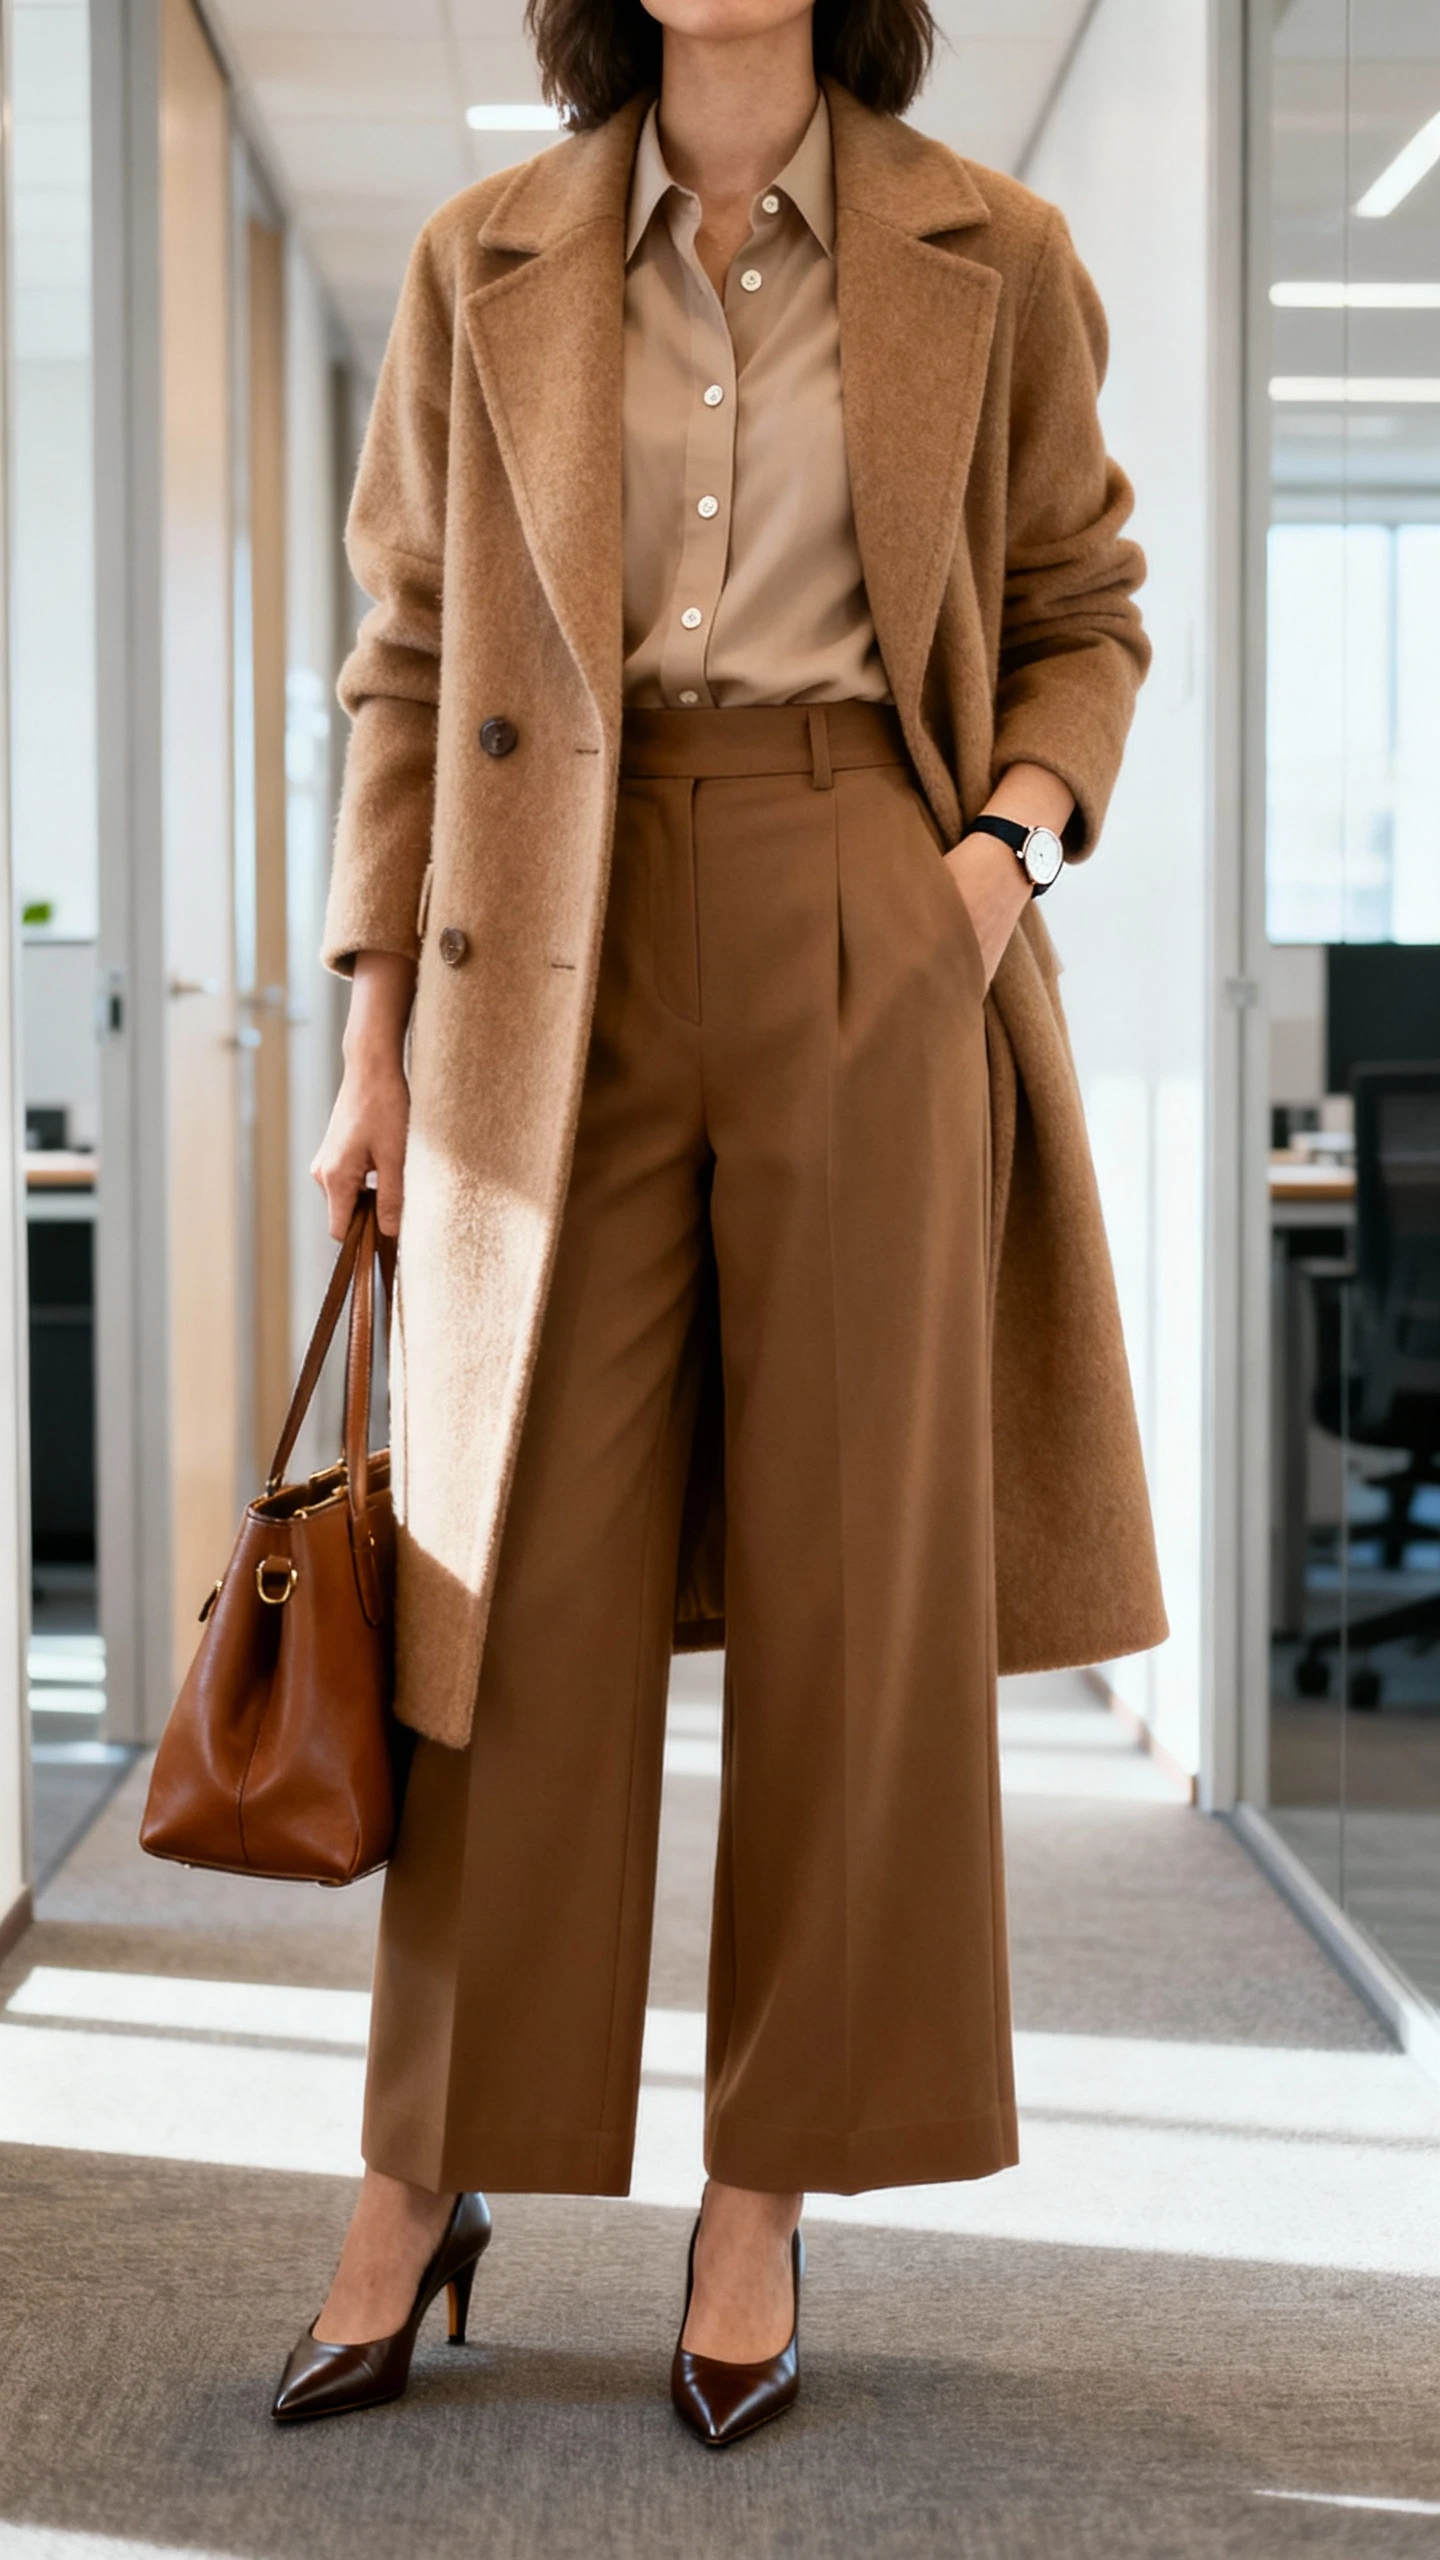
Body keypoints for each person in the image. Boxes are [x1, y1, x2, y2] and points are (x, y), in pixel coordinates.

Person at [275, 0, 1166, 2444]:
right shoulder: (493, 251)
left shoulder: (1000, 250)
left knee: (852, 1579)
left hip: (866, 905)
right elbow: (410, 654)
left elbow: (1086, 602)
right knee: (506, 1586)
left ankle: (764, 2185)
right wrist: (364, 1041)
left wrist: (992, 858)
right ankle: (420, 2163)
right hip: (534, 943)